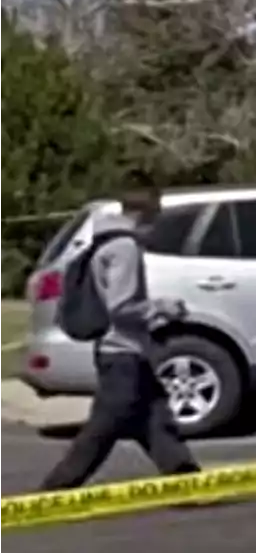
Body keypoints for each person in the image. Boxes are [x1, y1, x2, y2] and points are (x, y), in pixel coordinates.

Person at [40, 181, 201, 491]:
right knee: (103, 428)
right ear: (146, 209)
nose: (161, 214)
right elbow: (121, 306)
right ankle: (54, 491)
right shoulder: (124, 248)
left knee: (156, 424)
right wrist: (162, 308)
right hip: (122, 354)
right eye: (158, 207)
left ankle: (188, 483)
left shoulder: (105, 242)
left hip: (128, 353)